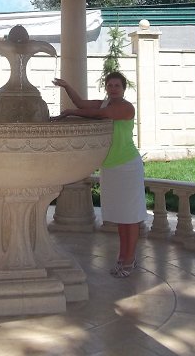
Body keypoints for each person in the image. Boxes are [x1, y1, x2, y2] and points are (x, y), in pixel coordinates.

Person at [52, 72, 147, 278]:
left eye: (117, 85)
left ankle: (129, 259)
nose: (113, 89)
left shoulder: (126, 107)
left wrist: (70, 112)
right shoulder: (105, 103)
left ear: (124, 88)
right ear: (106, 87)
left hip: (127, 166)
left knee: (130, 217)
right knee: (121, 217)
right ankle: (122, 257)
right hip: (110, 167)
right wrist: (66, 86)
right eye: (110, 85)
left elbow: (100, 115)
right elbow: (81, 103)